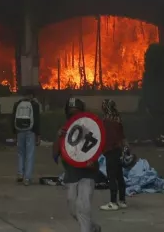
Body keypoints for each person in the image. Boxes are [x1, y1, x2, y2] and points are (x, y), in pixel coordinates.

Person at [53, 97, 101, 232]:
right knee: (74, 209)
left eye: (77, 113)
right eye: (71, 113)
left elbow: (96, 151)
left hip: (87, 174)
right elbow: (55, 153)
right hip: (71, 175)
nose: (74, 116)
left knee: (83, 207)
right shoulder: (64, 131)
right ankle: (93, 228)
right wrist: (59, 138)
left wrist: (93, 162)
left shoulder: (90, 129)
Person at [99, 99, 127, 211]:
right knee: (119, 176)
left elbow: (105, 137)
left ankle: (113, 202)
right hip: (119, 150)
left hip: (110, 151)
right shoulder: (118, 119)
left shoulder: (106, 121)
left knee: (111, 177)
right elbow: (122, 136)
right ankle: (122, 200)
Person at [12, 88, 41, 186]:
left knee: (21, 153)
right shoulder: (34, 105)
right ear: (32, 95)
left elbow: (13, 119)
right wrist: (38, 135)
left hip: (19, 131)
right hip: (30, 131)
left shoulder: (17, 104)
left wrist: (14, 133)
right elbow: (37, 121)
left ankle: (20, 173)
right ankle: (27, 178)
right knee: (30, 154)